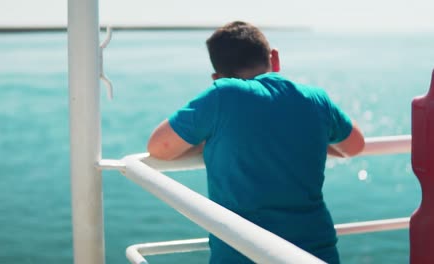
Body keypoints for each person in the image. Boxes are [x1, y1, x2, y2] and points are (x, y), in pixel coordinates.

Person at [147, 21, 365, 264]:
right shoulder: (315, 98)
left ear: (216, 76)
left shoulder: (222, 94)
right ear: (275, 59)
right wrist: (307, 137)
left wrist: (211, 137)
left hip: (244, 255)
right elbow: (354, 145)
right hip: (314, 253)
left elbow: (159, 147)